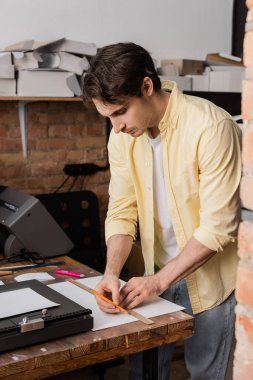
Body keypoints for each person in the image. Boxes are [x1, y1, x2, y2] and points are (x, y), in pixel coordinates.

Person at [82, 42, 242, 380]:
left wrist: (158, 282)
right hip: (150, 276)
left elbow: (218, 229)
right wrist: (112, 272)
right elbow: (123, 211)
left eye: (120, 112)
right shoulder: (122, 138)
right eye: (108, 117)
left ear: (146, 86)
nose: (117, 127)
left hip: (210, 281)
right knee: (144, 374)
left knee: (205, 375)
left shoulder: (211, 127)